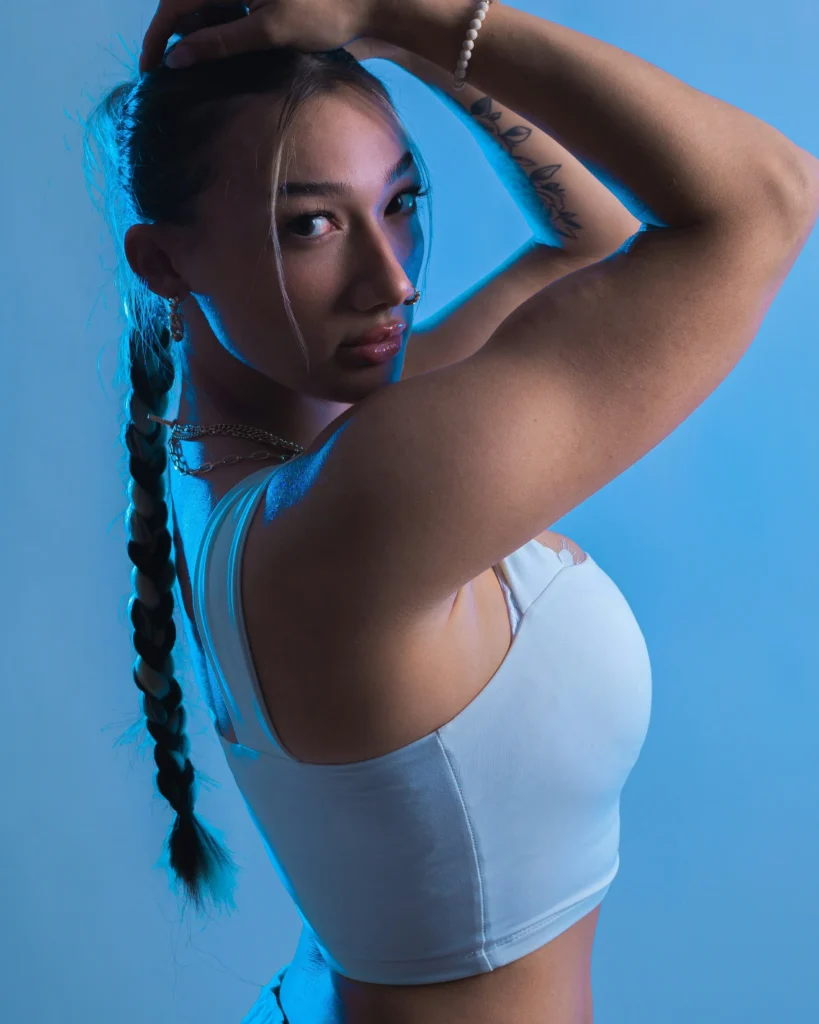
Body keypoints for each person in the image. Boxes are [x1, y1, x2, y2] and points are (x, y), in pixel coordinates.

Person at [83, 0, 818, 1021]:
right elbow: (767, 200)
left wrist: (381, 48)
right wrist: (410, 16)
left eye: (399, 200)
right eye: (311, 224)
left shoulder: (245, 461)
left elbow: (583, 240)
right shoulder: (356, 504)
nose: (390, 281)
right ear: (165, 264)